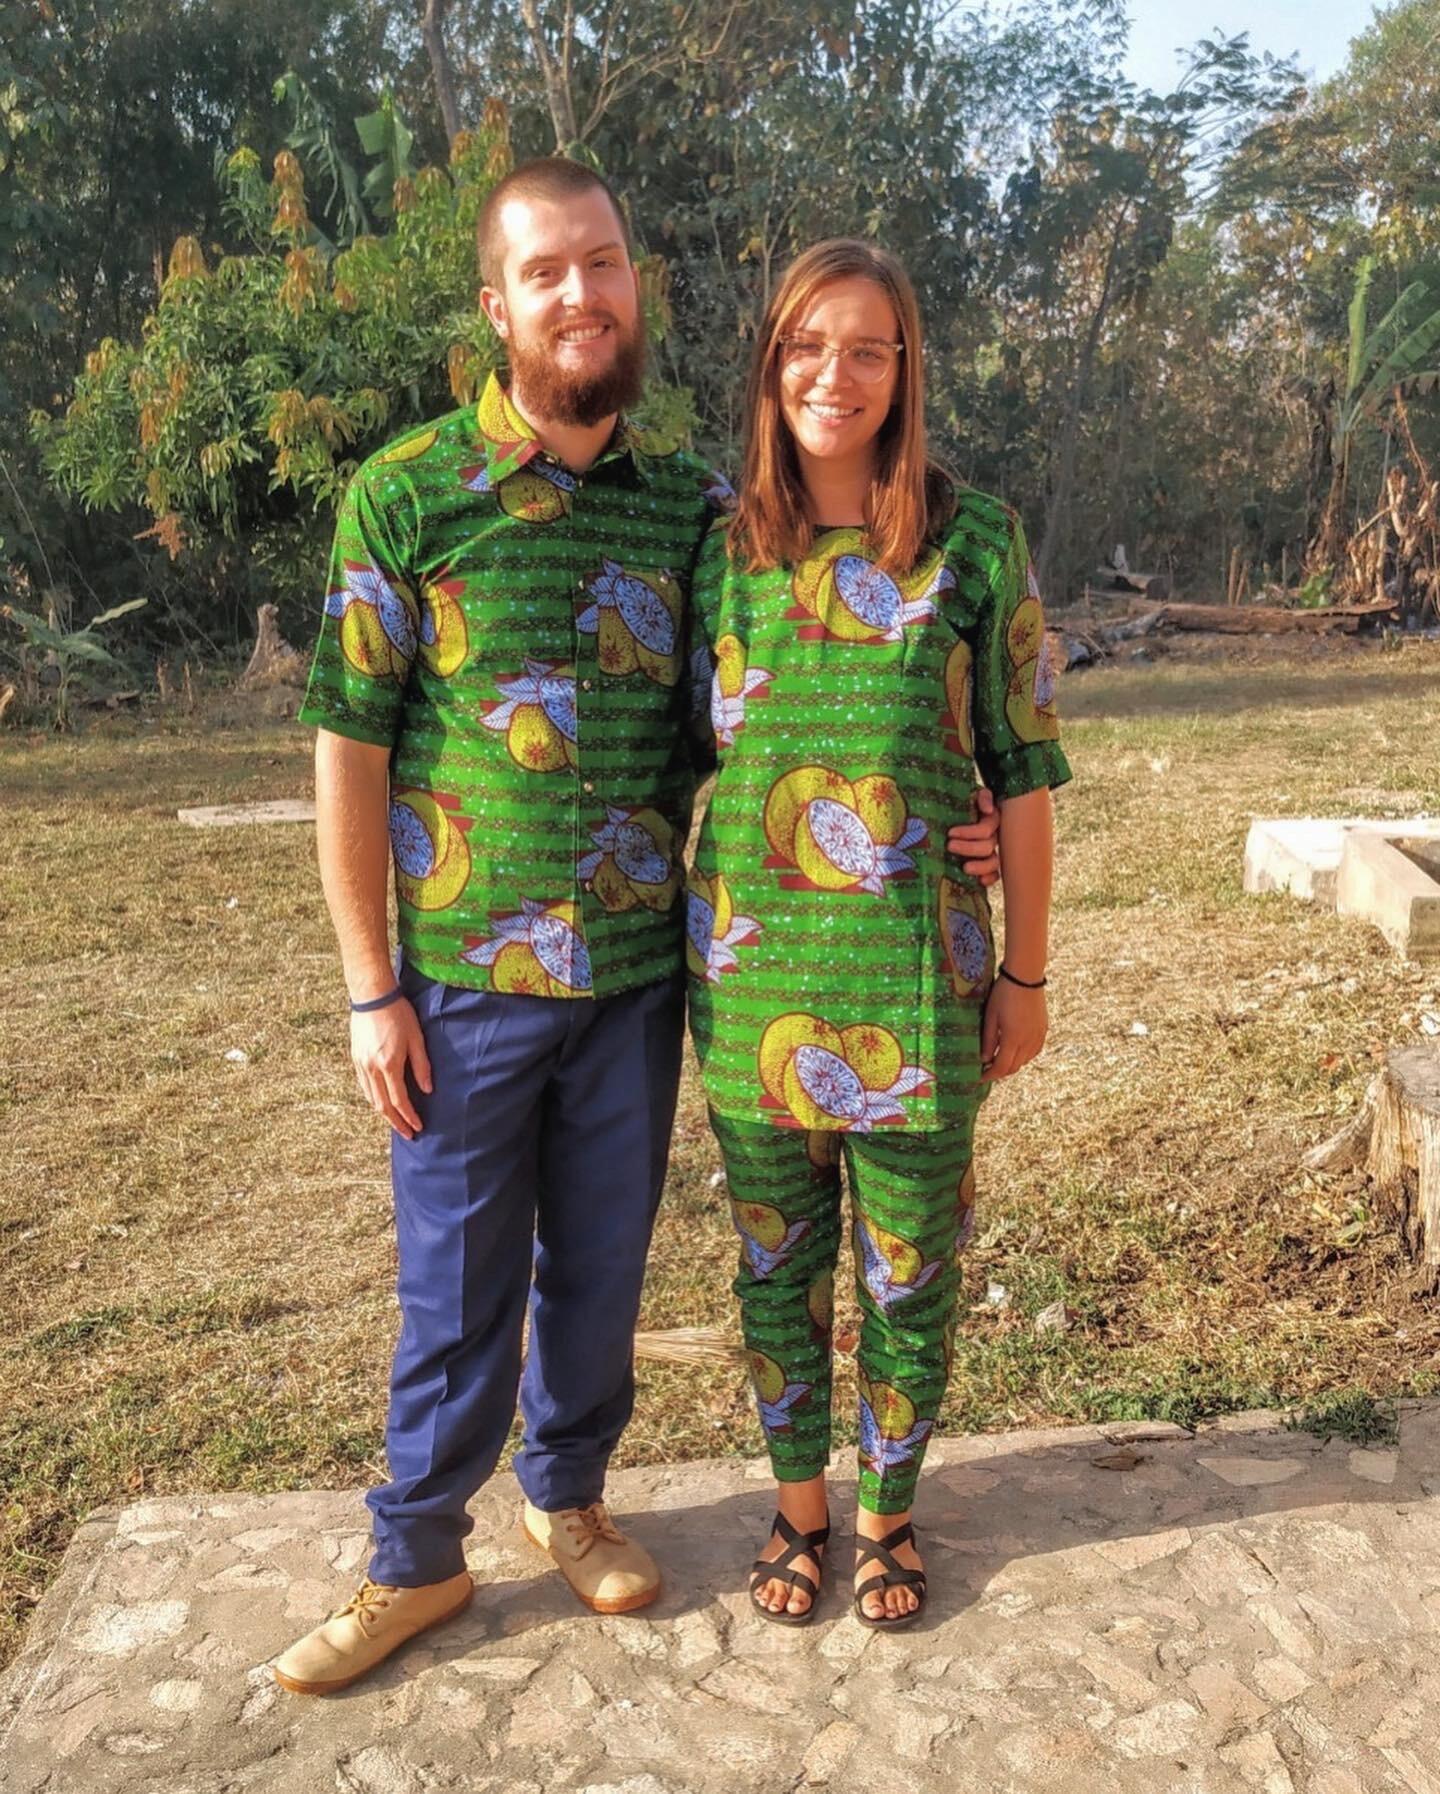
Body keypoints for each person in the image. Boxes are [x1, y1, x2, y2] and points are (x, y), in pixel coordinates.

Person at [271, 157, 1008, 1693]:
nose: (581, 295)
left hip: (642, 981)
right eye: (547, 272)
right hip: (464, 979)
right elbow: (347, 743)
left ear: (635, 288)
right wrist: (368, 989)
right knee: (457, 1283)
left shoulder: (690, 508)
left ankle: (568, 1497)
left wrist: (954, 803)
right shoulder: (406, 494)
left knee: (598, 1271)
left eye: (603, 264)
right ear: (497, 304)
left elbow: (750, 717)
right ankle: (412, 1555)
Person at [685, 238, 1070, 1630]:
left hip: (923, 988)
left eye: (865, 349)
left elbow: (1021, 768)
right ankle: (799, 1512)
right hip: (747, 987)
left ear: (907, 369)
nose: (831, 376)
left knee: (911, 1272)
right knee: (776, 1269)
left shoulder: (977, 537)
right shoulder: (716, 546)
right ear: (769, 363)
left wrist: (1024, 970)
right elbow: (684, 752)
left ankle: (892, 1517)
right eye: (805, 345)